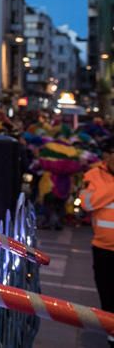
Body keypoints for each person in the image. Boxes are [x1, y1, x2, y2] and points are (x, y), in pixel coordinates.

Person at [78, 138, 114, 348]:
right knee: (107, 294)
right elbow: (88, 203)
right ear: (107, 156)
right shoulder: (93, 175)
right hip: (103, 248)